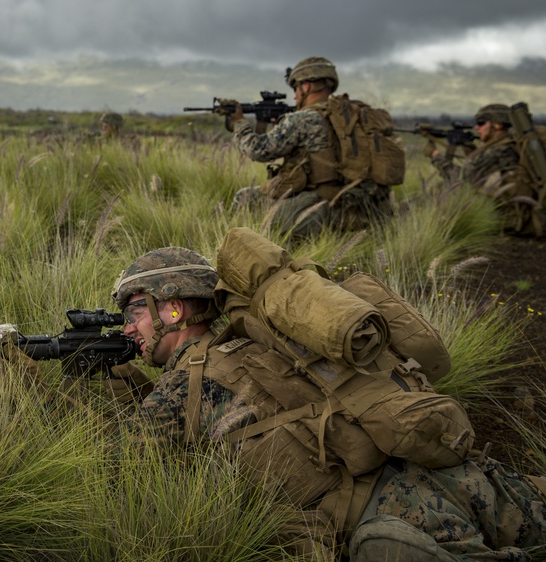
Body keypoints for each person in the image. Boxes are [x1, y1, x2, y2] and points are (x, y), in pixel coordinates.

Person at [105, 245, 546, 560]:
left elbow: (117, 473)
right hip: (457, 472)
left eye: (134, 311)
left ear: (175, 310)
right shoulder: (274, 337)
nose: (127, 328)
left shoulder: (178, 392)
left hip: (396, 525)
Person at [223, 57, 394, 239]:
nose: (295, 94)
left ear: (307, 87)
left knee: (244, 198)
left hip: (320, 209)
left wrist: (239, 123)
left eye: (296, 87)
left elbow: (257, 150)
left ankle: (234, 246)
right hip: (363, 205)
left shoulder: (303, 118)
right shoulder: (351, 116)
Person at [427, 104, 521, 189]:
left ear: (497, 125)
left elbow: (463, 179)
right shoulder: (512, 143)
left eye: (481, 123)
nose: (477, 127)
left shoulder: (497, 151)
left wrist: (435, 156)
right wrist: (470, 149)